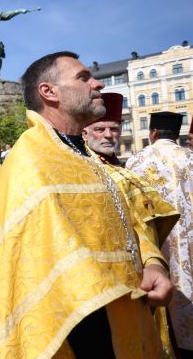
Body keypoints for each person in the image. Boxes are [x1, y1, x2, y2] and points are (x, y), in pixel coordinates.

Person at [0, 51, 173, 358]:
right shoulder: (31, 158)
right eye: (83, 77)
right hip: (83, 331)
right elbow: (45, 260)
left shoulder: (85, 156)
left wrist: (153, 262)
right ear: (49, 92)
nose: (97, 84)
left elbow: (125, 221)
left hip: (126, 315)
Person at [85, 94, 180, 356]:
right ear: (85, 132)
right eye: (100, 129)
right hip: (114, 281)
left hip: (149, 269)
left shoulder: (124, 169)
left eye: (114, 128)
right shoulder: (84, 172)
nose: (108, 134)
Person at [126, 111, 193, 356]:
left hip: (158, 248)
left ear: (152, 133)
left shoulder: (135, 161)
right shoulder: (191, 157)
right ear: (177, 134)